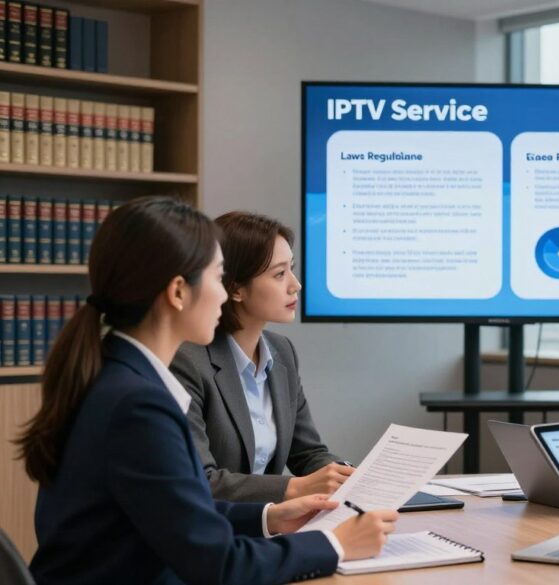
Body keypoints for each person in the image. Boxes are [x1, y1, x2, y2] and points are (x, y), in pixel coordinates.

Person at [18, 197, 398, 585]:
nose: (222, 293)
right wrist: (334, 544)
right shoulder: (138, 405)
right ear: (179, 292)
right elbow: (218, 565)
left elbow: (178, 513)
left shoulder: (120, 378)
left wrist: (270, 517)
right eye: (218, 278)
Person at [171, 211, 351, 503]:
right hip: (221, 531)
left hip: (269, 526)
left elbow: (308, 453)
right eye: (279, 274)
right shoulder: (187, 361)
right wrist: (295, 489)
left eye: (291, 269)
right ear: (235, 289)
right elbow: (202, 481)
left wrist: (350, 476)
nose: (296, 285)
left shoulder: (282, 353)